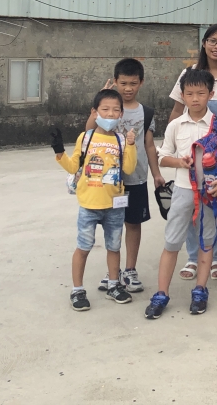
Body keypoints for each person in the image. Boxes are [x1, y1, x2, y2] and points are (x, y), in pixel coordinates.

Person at [144, 68, 217, 318]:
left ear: (211, 94)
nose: (195, 98)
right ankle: (161, 293)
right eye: (189, 93)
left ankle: (200, 290)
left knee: (206, 241)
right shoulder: (176, 126)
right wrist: (181, 162)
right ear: (182, 94)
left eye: (201, 93)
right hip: (181, 191)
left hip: (211, 193)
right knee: (172, 242)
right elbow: (163, 157)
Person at [51, 88, 137, 311]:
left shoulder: (120, 140)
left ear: (121, 114)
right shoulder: (86, 137)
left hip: (114, 206)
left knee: (114, 247)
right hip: (89, 205)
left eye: (115, 110)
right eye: (105, 109)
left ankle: (113, 285)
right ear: (95, 111)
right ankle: (77, 290)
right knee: (83, 247)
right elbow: (73, 166)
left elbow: (128, 168)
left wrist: (130, 145)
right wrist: (59, 151)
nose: (110, 114)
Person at [170, 24, 217, 282]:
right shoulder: (188, 73)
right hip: (192, 150)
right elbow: (177, 112)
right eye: (212, 41)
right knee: (194, 207)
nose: (216, 46)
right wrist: (175, 147)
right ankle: (192, 257)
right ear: (204, 43)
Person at [83, 59, 159, 294]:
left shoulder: (146, 112)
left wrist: (156, 175)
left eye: (133, 83)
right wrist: (96, 108)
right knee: (111, 226)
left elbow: (149, 146)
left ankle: (130, 269)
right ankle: (112, 272)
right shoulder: (106, 109)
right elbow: (88, 134)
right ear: (115, 82)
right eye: (123, 83)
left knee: (133, 224)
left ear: (141, 83)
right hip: (108, 182)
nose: (128, 88)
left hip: (136, 179)